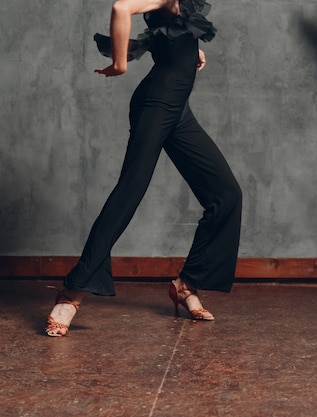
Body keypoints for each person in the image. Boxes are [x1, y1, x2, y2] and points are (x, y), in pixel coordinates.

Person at [45, 0, 242, 336]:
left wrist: (187, 48)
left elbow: (166, 30)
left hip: (179, 112)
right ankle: (71, 293)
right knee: (129, 192)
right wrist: (120, 65)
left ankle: (187, 283)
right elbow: (121, 7)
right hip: (155, 105)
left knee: (227, 195)